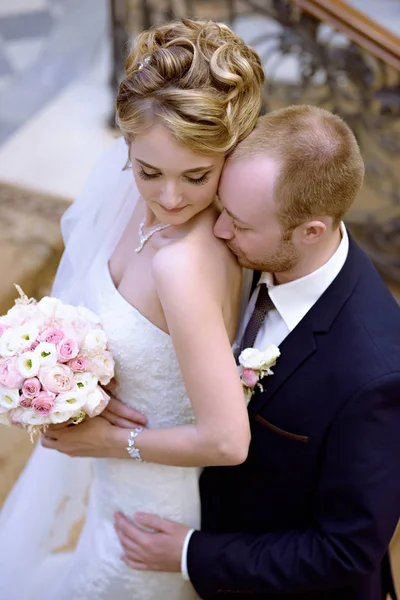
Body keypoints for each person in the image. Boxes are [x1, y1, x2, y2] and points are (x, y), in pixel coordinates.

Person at [0, 18, 264, 600]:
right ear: (125, 145)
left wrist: (106, 441)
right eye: (149, 171)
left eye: (198, 176)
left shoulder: (184, 266)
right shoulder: (129, 203)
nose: (171, 198)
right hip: (116, 483)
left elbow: (228, 441)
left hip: (152, 509)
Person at [112, 106, 400, 600]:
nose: (218, 231)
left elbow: (346, 551)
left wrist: (189, 554)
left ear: (311, 231)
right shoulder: (252, 247)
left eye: (240, 225)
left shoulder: (376, 375)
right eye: (222, 207)